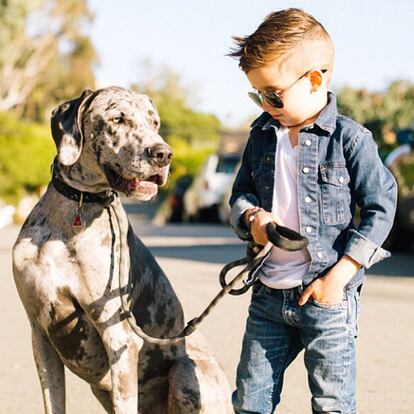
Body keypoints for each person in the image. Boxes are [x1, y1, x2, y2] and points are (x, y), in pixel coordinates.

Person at [227, 8, 397, 414]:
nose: (265, 105)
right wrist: (252, 220)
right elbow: (241, 195)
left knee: (332, 404)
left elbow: (381, 205)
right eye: (257, 95)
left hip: (327, 296)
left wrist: (340, 276)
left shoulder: (350, 139)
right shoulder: (261, 135)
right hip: (269, 294)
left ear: (315, 80)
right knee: (250, 401)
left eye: (273, 94)